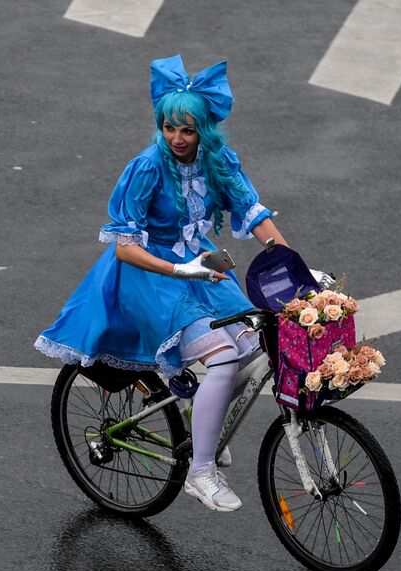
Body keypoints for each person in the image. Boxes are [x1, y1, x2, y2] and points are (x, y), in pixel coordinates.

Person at [35, 56, 288, 512]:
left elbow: (254, 215)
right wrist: (180, 270)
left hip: (201, 267)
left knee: (256, 344)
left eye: (187, 130)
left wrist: (293, 268)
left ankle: (201, 422)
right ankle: (201, 472)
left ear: (204, 132)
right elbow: (124, 247)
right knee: (223, 355)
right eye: (170, 128)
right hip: (149, 275)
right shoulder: (148, 167)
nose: (177, 138)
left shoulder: (218, 161)